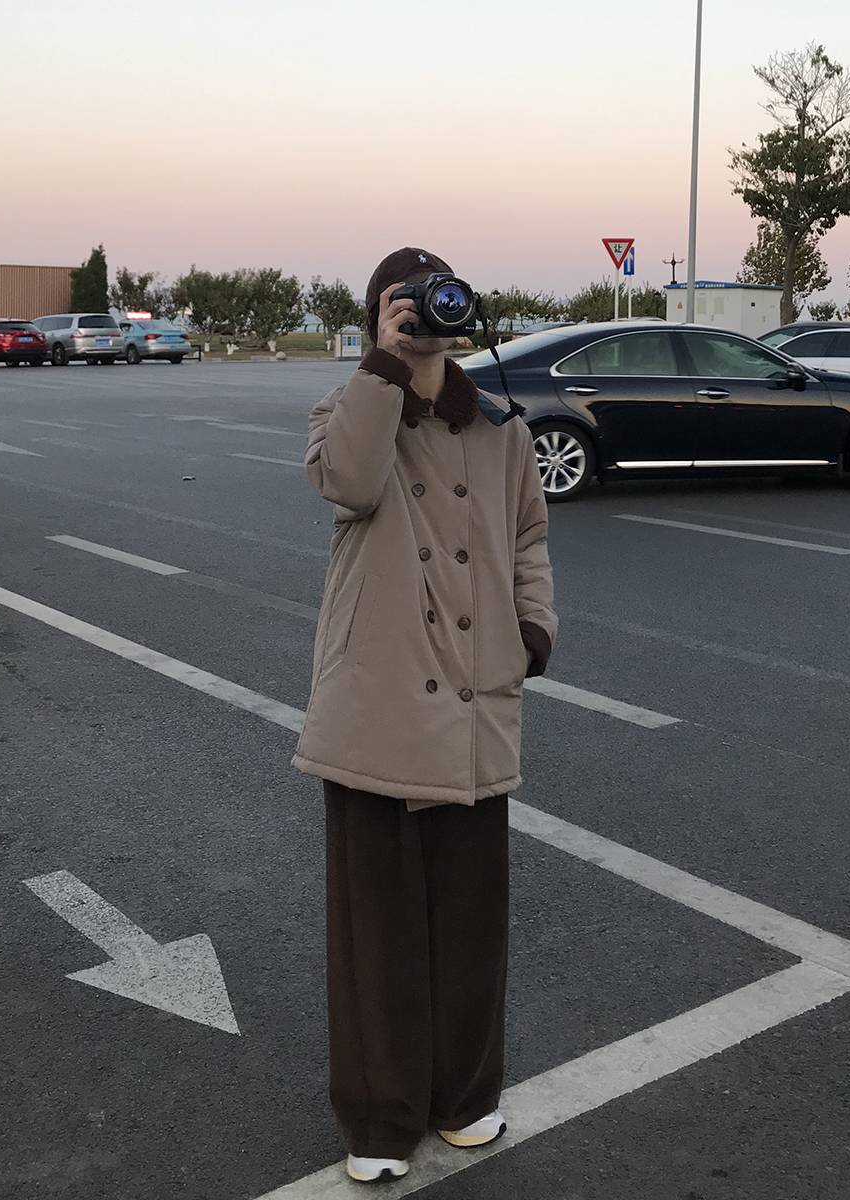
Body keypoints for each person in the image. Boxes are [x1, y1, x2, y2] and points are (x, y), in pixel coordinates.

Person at [292, 247, 556, 1183]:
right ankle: (379, 1117)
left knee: (471, 920)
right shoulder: (349, 410)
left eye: (438, 302)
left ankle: (465, 1096)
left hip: (477, 699)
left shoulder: (501, 430)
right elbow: (350, 483)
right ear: (379, 316)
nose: (426, 319)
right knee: (378, 932)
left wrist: (532, 630)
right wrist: (383, 365)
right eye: (405, 305)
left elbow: (529, 536)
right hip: (378, 701)